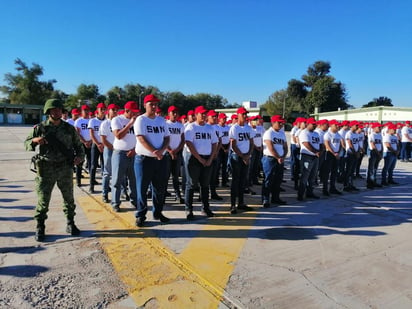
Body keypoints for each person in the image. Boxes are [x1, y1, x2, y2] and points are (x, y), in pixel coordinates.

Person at [24, 99, 85, 241]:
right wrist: (35, 140)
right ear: (48, 111)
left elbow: (79, 147)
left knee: (68, 198)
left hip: (65, 167)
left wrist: (79, 158)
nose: (57, 112)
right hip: (46, 168)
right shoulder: (40, 128)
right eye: (53, 109)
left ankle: (70, 222)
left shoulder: (69, 128)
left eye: (59, 109)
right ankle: (40, 226)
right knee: (43, 200)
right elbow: (26, 143)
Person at [134, 94, 171, 227]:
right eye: (151, 104)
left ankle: (158, 212)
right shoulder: (140, 120)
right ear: (145, 105)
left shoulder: (161, 120)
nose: (154, 107)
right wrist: (154, 151)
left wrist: (161, 151)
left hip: (160, 159)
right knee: (142, 188)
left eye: (156, 104)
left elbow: (167, 138)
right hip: (144, 159)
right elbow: (141, 138)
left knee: (159, 188)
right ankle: (141, 214)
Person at [184, 105, 218, 219]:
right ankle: (189, 209)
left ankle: (205, 208)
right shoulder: (191, 127)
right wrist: (200, 158)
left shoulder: (210, 128)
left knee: (205, 185)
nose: (204, 115)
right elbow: (189, 143)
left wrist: (210, 158)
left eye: (205, 113)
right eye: (201, 113)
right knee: (191, 184)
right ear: (196, 115)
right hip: (194, 159)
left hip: (207, 158)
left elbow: (214, 143)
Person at [111, 101, 139, 212]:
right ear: (127, 111)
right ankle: (115, 202)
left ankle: (134, 201)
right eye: (133, 112)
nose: (135, 114)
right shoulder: (117, 120)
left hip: (133, 153)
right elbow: (118, 136)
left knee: (133, 180)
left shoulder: (137, 121)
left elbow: (139, 137)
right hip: (120, 153)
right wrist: (129, 124)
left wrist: (134, 150)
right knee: (117, 180)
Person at [229, 107, 254, 214]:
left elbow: (252, 142)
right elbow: (233, 145)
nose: (245, 116)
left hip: (246, 156)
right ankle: (233, 205)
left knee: (243, 181)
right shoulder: (234, 128)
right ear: (238, 115)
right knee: (235, 181)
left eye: (246, 114)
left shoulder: (248, 128)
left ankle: (241, 203)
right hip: (237, 156)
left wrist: (248, 155)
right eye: (243, 114)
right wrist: (243, 156)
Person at [261, 115, 288, 208]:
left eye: (282, 123)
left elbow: (285, 146)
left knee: (278, 179)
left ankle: (275, 198)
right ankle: (265, 199)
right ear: (273, 122)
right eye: (279, 122)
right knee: (268, 179)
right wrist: (278, 157)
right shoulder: (269, 133)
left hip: (280, 159)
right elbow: (270, 147)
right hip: (270, 159)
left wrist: (283, 156)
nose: (281, 124)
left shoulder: (281, 133)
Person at [297, 117, 320, 201]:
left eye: (315, 124)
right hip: (307, 156)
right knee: (304, 176)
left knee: (312, 176)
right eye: (313, 124)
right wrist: (315, 151)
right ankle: (301, 194)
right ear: (308, 124)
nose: (315, 125)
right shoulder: (304, 133)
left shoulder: (316, 133)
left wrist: (319, 151)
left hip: (315, 157)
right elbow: (306, 143)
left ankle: (310, 192)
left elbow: (319, 143)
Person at [165, 105, 185, 204]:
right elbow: (163, 140)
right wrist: (170, 151)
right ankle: (163, 194)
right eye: (173, 113)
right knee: (165, 175)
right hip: (167, 153)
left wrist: (176, 151)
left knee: (175, 176)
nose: (175, 114)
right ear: (169, 114)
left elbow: (182, 140)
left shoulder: (180, 125)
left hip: (177, 153)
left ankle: (178, 195)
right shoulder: (165, 124)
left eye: (177, 113)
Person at [99, 104, 119, 203]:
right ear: (108, 111)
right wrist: (113, 147)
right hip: (109, 149)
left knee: (120, 173)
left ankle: (123, 192)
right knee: (107, 173)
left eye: (116, 110)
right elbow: (103, 140)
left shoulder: (119, 122)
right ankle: (105, 194)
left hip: (119, 150)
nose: (115, 111)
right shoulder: (105, 124)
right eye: (113, 110)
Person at [88, 102, 106, 193]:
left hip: (105, 145)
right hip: (96, 145)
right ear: (97, 111)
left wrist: (103, 144)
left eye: (104, 109)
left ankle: (105, 186)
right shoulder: (93, 121)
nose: (103, 111)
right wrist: (98, 144)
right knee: (93, 166)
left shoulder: (106, 121)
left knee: (104, 166)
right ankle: (91, 186)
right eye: (101, 109)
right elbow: (91, 134)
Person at [320, 119, 342, 195]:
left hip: (336, 155)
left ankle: (332, 187)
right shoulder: (328, 134)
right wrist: (333, 153)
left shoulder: (338, 135)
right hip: (329, 154)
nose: (337, 126)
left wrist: (338, 152)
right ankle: (325, 189)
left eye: (338, 125)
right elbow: (327, 145)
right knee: (327, 172)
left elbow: (340, 145)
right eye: (335, 125)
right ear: (331, 125)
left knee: (334, 172)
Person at [206, 109, 223, 200]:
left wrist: (216, 151)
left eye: (216, 116)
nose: (215, 118)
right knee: (205, 176)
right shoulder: (205, 126)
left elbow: (219, 140)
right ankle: (203, 195)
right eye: (213, 116)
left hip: (215, 154)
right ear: (208, 117)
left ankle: (213, 192)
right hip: (206, 154)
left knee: (214, 175)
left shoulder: (217, 127)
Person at [74, 105, 92, 187]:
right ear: (81, 111)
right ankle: (78, 180)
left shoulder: (91, 120)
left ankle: (92, 179)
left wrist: (90, 141)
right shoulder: (79, 121)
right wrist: (84, 141)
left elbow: (94, 132)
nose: (86, 112)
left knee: (91, 163)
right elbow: (77, 133)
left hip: (91, 143)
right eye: (85, 110)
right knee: (80, 162)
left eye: (88, 110)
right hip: (81, 144)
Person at [343, 121, 360, 192]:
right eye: (356, 125)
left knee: (352, 170)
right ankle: (346, 185)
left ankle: (351, 184)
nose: (357, 127)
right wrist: (355, 152)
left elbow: (357, 144)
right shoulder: (349, 133)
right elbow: (350, 144)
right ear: (352, 126)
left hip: (355, 154)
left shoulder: (356, 134)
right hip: (350, 154)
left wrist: (358, 152)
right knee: (348, 170)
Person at [366, 122, 383, 189]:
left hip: (378, 152)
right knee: (371, 168)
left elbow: (380, 144)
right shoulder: (372, 135)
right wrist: (378, 153)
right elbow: (372, 145)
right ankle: (369, 182)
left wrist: (381, 151)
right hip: (373, 152)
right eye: (379, 127)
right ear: (375, 128)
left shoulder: (379, 135)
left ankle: (374, 181)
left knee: (375, 168)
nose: (380, 128)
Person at [216, 113, 230, 187]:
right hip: (220, 147)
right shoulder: (218, 127)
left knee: (225, 167)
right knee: (218, 166)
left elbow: (230, 138)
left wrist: (227, 148)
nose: (225, 120)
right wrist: (223, 148)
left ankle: (224, 182)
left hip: (227, 146)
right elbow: (218, 140)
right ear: (220, 119)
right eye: (223, 118)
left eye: (225, 118)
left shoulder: (228, 127)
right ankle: (216, 181)